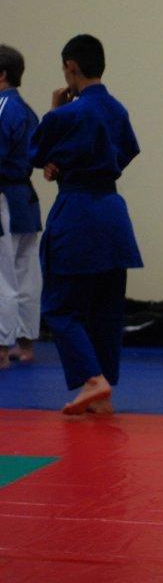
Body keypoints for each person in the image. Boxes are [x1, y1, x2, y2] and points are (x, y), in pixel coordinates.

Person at [29, 34, 143, 415]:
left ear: (71, 67)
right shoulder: (117, 110)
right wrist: (72, 165)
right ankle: (103, 389)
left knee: (60, 306)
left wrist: (53, 112)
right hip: (112, 212)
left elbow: (35, 151)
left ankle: (92, 379)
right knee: (106, 309)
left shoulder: (67, 115)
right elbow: (124, 153)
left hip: (77, 213)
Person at [0, 44, 42, 368]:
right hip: (26, 198)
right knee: (26, 274)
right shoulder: (27, 111)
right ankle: (25, 344)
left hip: (5, 197)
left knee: (3, 276)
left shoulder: (3, 107)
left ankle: (1, 347)